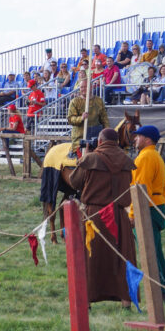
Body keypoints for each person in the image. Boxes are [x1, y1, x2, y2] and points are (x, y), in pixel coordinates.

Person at [66, 128, 136, 305]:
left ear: (100, 141)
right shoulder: (126, 160)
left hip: (94, 215)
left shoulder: (90, 159)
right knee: (121, 258)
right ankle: (125, 301)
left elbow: (74, 182)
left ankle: (88, 300)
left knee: (91, 258)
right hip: (119, 215)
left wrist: (83, 158)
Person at [130, 125, 165, 299]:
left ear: (147, 140)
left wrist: (132, 214)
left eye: (138, 136)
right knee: (155, 251)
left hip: (147, 208)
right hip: (156, 206)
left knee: (150, 252)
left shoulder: (145, 157)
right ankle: (164, 289)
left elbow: (140, 188)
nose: (134, 139)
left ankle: (162, 290)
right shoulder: (154, 156)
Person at [66, 74, 108, 158]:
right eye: (82, 87)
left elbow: (104, 119)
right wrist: (81, 118)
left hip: (96, 138)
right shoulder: (74, 102)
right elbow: (70, 119)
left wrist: (107, 133)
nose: (83, 89)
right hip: (80, 139)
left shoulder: (99, 101)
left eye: (85, 86)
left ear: (91, 87)